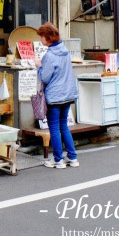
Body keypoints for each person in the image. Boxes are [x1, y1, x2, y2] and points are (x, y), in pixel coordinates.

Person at [37, 22, 79, 169]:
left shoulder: (49, 55)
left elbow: (45, 77)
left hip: (55, 96)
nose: (41, 40)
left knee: (54, 128)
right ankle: (73, 158)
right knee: (63, 126)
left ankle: (58, 160)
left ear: (47, 37)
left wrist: (39, 66)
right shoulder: (65, 51)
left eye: (42, 36)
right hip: (67, 94)